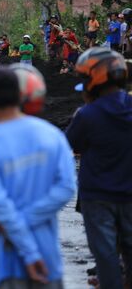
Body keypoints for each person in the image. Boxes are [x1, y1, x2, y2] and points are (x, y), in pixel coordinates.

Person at [0, 67, 76, 289]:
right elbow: (66, 188)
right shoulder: (52, 136)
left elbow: (0, 207)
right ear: (21, 94)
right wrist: (29, 222)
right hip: (47, 256)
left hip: (3, 260)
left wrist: (29, 253)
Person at [66, 48, 132, 288]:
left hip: (98, 197)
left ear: (95, 81)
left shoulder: (87, 115)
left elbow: (69, 146)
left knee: (105, 255)